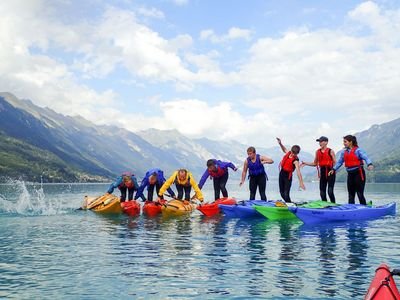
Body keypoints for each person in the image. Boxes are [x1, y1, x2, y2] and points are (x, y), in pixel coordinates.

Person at [328, 135, 373, 205]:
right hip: (350, 174)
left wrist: (369, 164)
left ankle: (364, 208)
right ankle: (351, 209)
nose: (344, 143)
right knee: (351, 194)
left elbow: (366, 157)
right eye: (343, 142)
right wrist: (333, 169)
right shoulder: (343, 152)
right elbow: (340, 162)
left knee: (359, 193)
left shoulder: (358, 150)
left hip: (359, 173)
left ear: (350, 142)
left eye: (345, 141)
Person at [301, 136, 336, 203]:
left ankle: (333, 205)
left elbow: (335, 163)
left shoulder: (331, 151)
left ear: (326, 142)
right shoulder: (317, 152)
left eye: (321, 141)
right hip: (322, 172)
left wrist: (333, 170)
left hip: (330, 172)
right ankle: (325, 205)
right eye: (319, 142)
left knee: (330, 192)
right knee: (322, 192)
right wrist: (306, 163)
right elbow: (315, 163)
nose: (320, 143)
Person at [277, 138, 306, 202]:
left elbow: (298, 172)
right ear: (291, 151)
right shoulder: (289, 153)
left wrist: (301, 183)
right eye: (293, 153)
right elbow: (284, 149)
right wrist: (280, 143)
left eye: (295, 154)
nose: (293, 155)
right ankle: (289, 204)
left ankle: (290, 205)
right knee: (282, 193)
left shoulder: (296, 160)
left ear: (297, 153)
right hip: (282, 173)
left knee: (286, 194)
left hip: (288, 176)